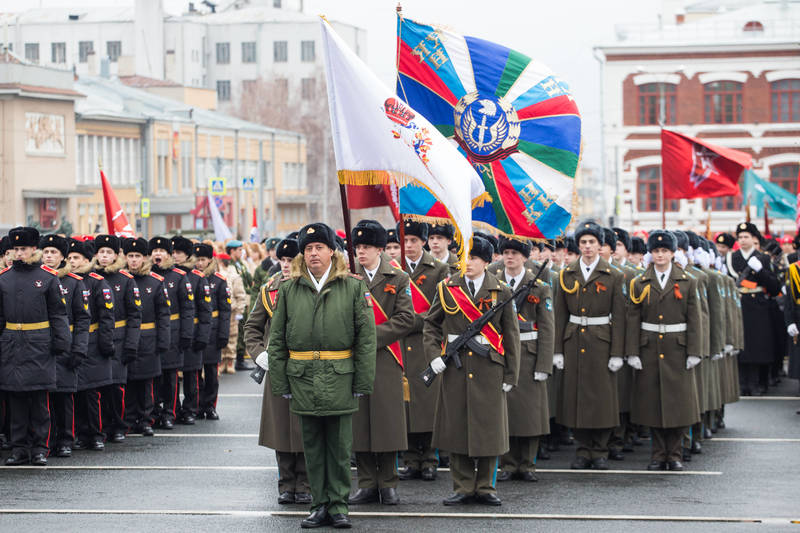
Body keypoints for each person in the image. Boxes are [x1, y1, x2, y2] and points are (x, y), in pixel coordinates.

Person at [268, 222, 376, 529]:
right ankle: (319, 504)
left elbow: (366, 340)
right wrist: (281, 381)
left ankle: (339, 505)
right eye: (308, 249)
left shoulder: (353, 287)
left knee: (340, 448)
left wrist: (362, 381)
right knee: (312, 448)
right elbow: (276, 341)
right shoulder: (289, 289)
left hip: (340, 375)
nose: (314, 253)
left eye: (320, 248)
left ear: (333, 252)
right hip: (303, 377)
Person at [423, 236, 520, 506]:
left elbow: (511, 335)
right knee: (457, 427)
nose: (467, 263)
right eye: (463, 257)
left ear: (487, 262)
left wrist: (511, 374)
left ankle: (487, 487)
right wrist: (434, 357)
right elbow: (431, 325)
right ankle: (463, 486)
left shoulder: (499, 290)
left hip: (489, 367)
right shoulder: (446, 288)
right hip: (456, 366)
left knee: (490, 429)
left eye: (474, 258)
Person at [348, 220, 414, 506]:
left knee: (388, 423)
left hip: (386, 356)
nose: (361, 252)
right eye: (358, 247)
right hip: (354, 358)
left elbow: (406, 318)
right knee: (359, 422)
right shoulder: (348, 277)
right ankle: (365, 483)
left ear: (379, 249)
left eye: (366, 247)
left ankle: (388, 483)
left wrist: (371, 337)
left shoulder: (397, 278)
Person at [626, 230, 702, 471]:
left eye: (664, 251)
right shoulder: (639, 282)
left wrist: (694, 351)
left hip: (677, 348)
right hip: (649, 348)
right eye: (656, 251)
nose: (660, 255)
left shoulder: (688, 281)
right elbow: (632, 318)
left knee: (679, 404)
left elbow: (695, 319)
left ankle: (675, 453)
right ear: (651, 253)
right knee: (653, 405)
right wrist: (633, 351)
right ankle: (658, 454)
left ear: (673, 253)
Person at [554, 221, 625, 470]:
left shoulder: (614, 274)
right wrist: (557, 350)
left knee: (602, 398)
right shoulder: (567, 274)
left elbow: (620, 316)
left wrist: (618, 352)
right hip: (574, 340)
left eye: (592, 242)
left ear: (600, 245)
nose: (587, 247)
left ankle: (600, 449)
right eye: (583, 242)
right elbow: (559, 315)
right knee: (577, 398)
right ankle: (583, 448)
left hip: (601, 340)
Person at [246, 237, 311, 505]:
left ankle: (305, 483)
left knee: (306, 425)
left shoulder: (311, 287)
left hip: (306, 366)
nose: (285, 265)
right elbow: (252, 327)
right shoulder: (270, 289)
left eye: (290, 260)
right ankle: (286, 484)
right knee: (281, 427)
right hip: (278, 369)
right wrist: (260, 354)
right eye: (282, 260)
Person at [0, 226, 71, 466]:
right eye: (16, 249)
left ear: (34, 249)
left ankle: (41, 447)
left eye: (24, 248)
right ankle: (19, 448)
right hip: (12, 345)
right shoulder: (4, 278)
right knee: (17, 400)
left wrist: (61, 343)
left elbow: (59, 315)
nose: (19, 253)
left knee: (40, 401)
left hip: (40, 344)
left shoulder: (48, 278)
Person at [495, 236, 554, 483]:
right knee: (505, 411)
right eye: (506, 252)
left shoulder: (538, 285)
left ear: (525, 257)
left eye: (515, 253)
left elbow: (548, 327)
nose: (510, 257)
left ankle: (528, 463)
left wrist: (544, 364)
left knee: (530, 413)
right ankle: (508, 463)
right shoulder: (494, 282)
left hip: (529, 352)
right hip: (502, 350)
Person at [398, 220, 450, 482]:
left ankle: (430, 458)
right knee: (405, 405)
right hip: (399, 346)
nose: (408, 246)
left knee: (428, 404)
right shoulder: (393, 268)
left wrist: (408, 321)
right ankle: (409, 459)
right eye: (405, 241)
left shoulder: (439, 270)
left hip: (426, 344)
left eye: (414, 241)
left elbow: (438, 312)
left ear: (424, 242)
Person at [41, 234, 90, 458]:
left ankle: (65, 439)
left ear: (62, 257)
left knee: (65, 397)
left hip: (67, 346)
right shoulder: (38, 279)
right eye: (46, 251)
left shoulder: (74, 283)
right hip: (42, 347)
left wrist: (79, 348)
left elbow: (82, 320)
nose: (49, 256)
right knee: (44, 398)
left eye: (54, 252)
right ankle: (46, 440)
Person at [67, 238, 115, 452]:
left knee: (91, 393)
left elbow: (106, 316)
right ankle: (78, 432)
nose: (72, 261)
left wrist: (105, 343)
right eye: (69, 258)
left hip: (93, 342)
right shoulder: (65, 280)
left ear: (87, 259)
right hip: (73, 341)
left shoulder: (96, 282)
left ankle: (95, 434)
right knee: (74, 392)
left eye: (76, 258)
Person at [92, 235, 142, 444]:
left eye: (108, 252)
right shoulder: (91, 277)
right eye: (101, 252)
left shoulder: (125, 280)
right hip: (96, 340)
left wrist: (131, 344)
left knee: (117, 387)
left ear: (116, 255)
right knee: (98, 387)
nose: (104, 256)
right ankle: (100, 426)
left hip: (119, 340)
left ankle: (118, 426)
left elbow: (134, 315)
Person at [725, 223, 782, 395]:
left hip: (758, 306)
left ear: (754, 239)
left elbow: (774, 287)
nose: (742, 240)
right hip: (739, 304)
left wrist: (761, 271)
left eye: (746, 237)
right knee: (740, 344)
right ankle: (742, 384)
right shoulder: (731, 258)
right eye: (740, 237)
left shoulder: (763, 259)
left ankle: (757, 383)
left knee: (758, 346)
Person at [123, 238, 171, 436]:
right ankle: (128, 418)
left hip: (149, 337)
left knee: (146, 382)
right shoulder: (121, 280)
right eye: (130, 256)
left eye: (138, 256)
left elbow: (163, 315)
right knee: (128, 381)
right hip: (126, 337)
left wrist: (163, 340)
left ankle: (145, 419)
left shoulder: (155, 282)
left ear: (145, 258)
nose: (134, 260)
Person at [150, 236, 194, 430]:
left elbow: (187, 309)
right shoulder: (147, 276)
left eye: (162, 251)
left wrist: (186, 334)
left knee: (170, 376)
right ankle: (155, 412)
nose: (158, 254)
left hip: (173, 333)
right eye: (155, 251)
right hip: (152, 334)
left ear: (168, 255)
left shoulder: (178, 276)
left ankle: (170, 412)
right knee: (154, 375)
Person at [172, 236, 212, 425]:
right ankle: (174, 409)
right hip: (173, 332)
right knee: (171, 376)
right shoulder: (168, 275)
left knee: (191, 374)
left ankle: (190, 409)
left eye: (178, 253)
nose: (174, 256)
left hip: (194, 331)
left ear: (187, 255)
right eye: (172, 252)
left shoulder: (197, 278)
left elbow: (205, 311)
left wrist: (203, 336)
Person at [196, 244, 231, 420]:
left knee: (211, 372)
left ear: (210, 260)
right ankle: (197, 405)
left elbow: (225, 311)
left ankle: (210, 405)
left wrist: (224, 334)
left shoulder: (218, 281)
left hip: (213, 330)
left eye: (202, 259)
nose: (199, 263)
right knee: (194, 372)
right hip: (196, 330)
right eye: (197, 259)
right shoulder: (191, 278)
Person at [227, 239, 256, 371]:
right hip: (238, 300)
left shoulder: (241, 264)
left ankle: (240, 358)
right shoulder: (229, 265)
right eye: (239, 250)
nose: (241, 252)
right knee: (237, 331)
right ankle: (237, 359)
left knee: (243, 328)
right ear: (232, 251)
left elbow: (250, 281)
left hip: (245, 298)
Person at [220, 252, 247, 374]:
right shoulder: (217, 274)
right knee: (221, 336)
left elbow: (241, 296)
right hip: (220, 311)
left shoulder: (234, 276)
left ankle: (230, 360)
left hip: (232, 310)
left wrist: (240, 312)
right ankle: (221, 361)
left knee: (232, 336)